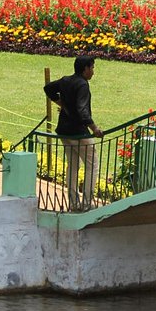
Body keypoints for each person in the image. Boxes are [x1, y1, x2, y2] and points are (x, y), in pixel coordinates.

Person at [44, 55, 104, 212]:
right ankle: (86, 204)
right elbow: (82, 111)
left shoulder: (65, 80)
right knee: (92, 164)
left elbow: (48, 88)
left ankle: (73, 203)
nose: (93, 71)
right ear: (85, 69)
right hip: (78, 133)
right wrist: (95, 129)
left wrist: (62, 104)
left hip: (64, 130)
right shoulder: (83, 85)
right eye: (92, 68)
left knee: (73, 165)